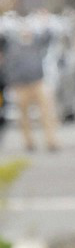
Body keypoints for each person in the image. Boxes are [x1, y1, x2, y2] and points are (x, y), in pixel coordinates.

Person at [2, 18, 60, 152]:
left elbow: (48, 37)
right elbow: (8, 66)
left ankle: (51, 140)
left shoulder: (35, 43)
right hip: (21, 85)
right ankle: (28, 142)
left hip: (37, 82)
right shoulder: (13, 46)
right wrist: (11, 82)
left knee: (47, 112)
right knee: (23, 115)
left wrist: (46, 22)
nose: (26, 33)